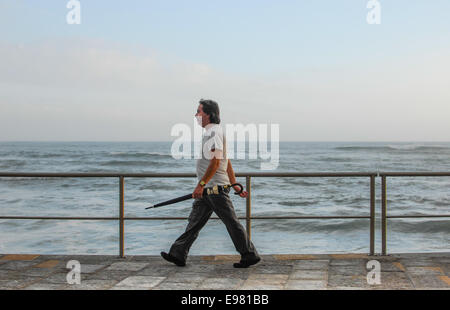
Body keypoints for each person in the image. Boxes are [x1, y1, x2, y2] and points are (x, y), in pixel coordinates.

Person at [161, 99, 260, 268]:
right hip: (209, 189)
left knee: (231, 222)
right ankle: (178, 253)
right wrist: (234, 183)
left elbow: (216, 162)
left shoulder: (213, 132)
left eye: (199, 111)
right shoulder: (211, 132)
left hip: (214, 189)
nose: (196, 115)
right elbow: (225, 161)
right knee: (194, 222)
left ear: (208, 114)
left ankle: (249, 254)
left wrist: (201, 184)